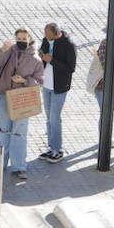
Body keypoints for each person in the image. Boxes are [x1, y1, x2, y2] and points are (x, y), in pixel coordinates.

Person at [0, 28, 45, 179]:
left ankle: (19, 166)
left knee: (19, 132)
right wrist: (1, 50)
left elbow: (39, 82)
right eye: (18, 38)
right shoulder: (9, 51)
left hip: (22, 97)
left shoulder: (36, 59)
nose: (21, 41)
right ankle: (0, 163)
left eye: (24, 38)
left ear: (30, 39)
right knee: (2, 130)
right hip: (4, 95)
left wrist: (24, 81)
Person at [36, 22, 77, 163]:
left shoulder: (68, 45)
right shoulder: (45, 40)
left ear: (57, 33)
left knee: (55, 118)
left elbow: (70, 68)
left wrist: (52, 60)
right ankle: (51, 147)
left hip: (59, 86)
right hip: (46, 85)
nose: (47, 39)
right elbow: (41, 53)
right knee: (49, 118)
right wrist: (41, 56)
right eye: (45, 36)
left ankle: (58, 149)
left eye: (50, 37)